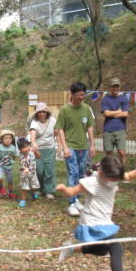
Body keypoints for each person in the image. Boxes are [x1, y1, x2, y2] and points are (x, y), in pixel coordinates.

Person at [56, 156, 136, 271]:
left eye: (117, 178)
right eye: (112, 178)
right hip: (93, 222)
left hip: (104, 221)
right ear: (101, 173)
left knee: (101, 251)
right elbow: (72, 191)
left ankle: (71, 248)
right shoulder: (92, 182)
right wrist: (63, 189)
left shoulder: (115, 175)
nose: (115, 181)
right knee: (116, 247)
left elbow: (130, 176)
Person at [55, 81, 96, 217]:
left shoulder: (86, 109)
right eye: (78, 95)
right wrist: (64, 147)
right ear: (72, 94)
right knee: (73, 173)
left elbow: (90, 127)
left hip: (83, 146)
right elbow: (60, 129)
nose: (81, 97)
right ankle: (71, 203)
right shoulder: (65, 110)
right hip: (71, 146)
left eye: (83, 95)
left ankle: (77, 199)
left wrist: (92, 144)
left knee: (81, 174)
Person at [28, 102, 57, 199]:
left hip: (50, 148)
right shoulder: (34, 122)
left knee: (49, 170)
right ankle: (39, 188)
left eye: (44, 112)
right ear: (37, 113)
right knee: (39, 171)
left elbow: (56, 132)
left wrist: (60, 145)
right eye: (40, 112)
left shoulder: (52, 120)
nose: (42, 114)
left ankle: (49, 190)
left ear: (47, 112)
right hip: (38, 150)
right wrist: (33, 143)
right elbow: (33, 133)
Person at [101, 77, 130, 168]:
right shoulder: (105, 99)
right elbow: (106, 113)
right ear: (111, 87)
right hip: (108, 130)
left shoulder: (124, 99)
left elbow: (125, 113)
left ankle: (122, 173)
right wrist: (118, 112)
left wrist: (111, 113)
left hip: (120, 129)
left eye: (117, 86)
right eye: (114, 86)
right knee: (109, 153)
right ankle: (110, 173)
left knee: (122, 152)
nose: (115, 88)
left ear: (120, 87)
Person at [0, 129, 18, 198]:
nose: (8, 140)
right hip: (0, 166)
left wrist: (12, 161)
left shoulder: (13, 148)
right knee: (0, 178)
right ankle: (1, 188)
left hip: (9, 167)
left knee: (10, 180)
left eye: (10, 138)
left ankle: (10, 192)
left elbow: (14, 156)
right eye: (6, 138)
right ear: (1, 139)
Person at [17, 137, 40, 208]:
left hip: (33, 173)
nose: (26, 149)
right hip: (24, 174)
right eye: (24, 148)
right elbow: (21, 164)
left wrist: (36, 151)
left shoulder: (32, 152)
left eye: (27, 146)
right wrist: (25, 169)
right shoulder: (20, 155)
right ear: (20, 149)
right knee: (24, 187)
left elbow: (39, 156)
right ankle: (23, 200)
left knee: (34, 185)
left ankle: (33, 193)